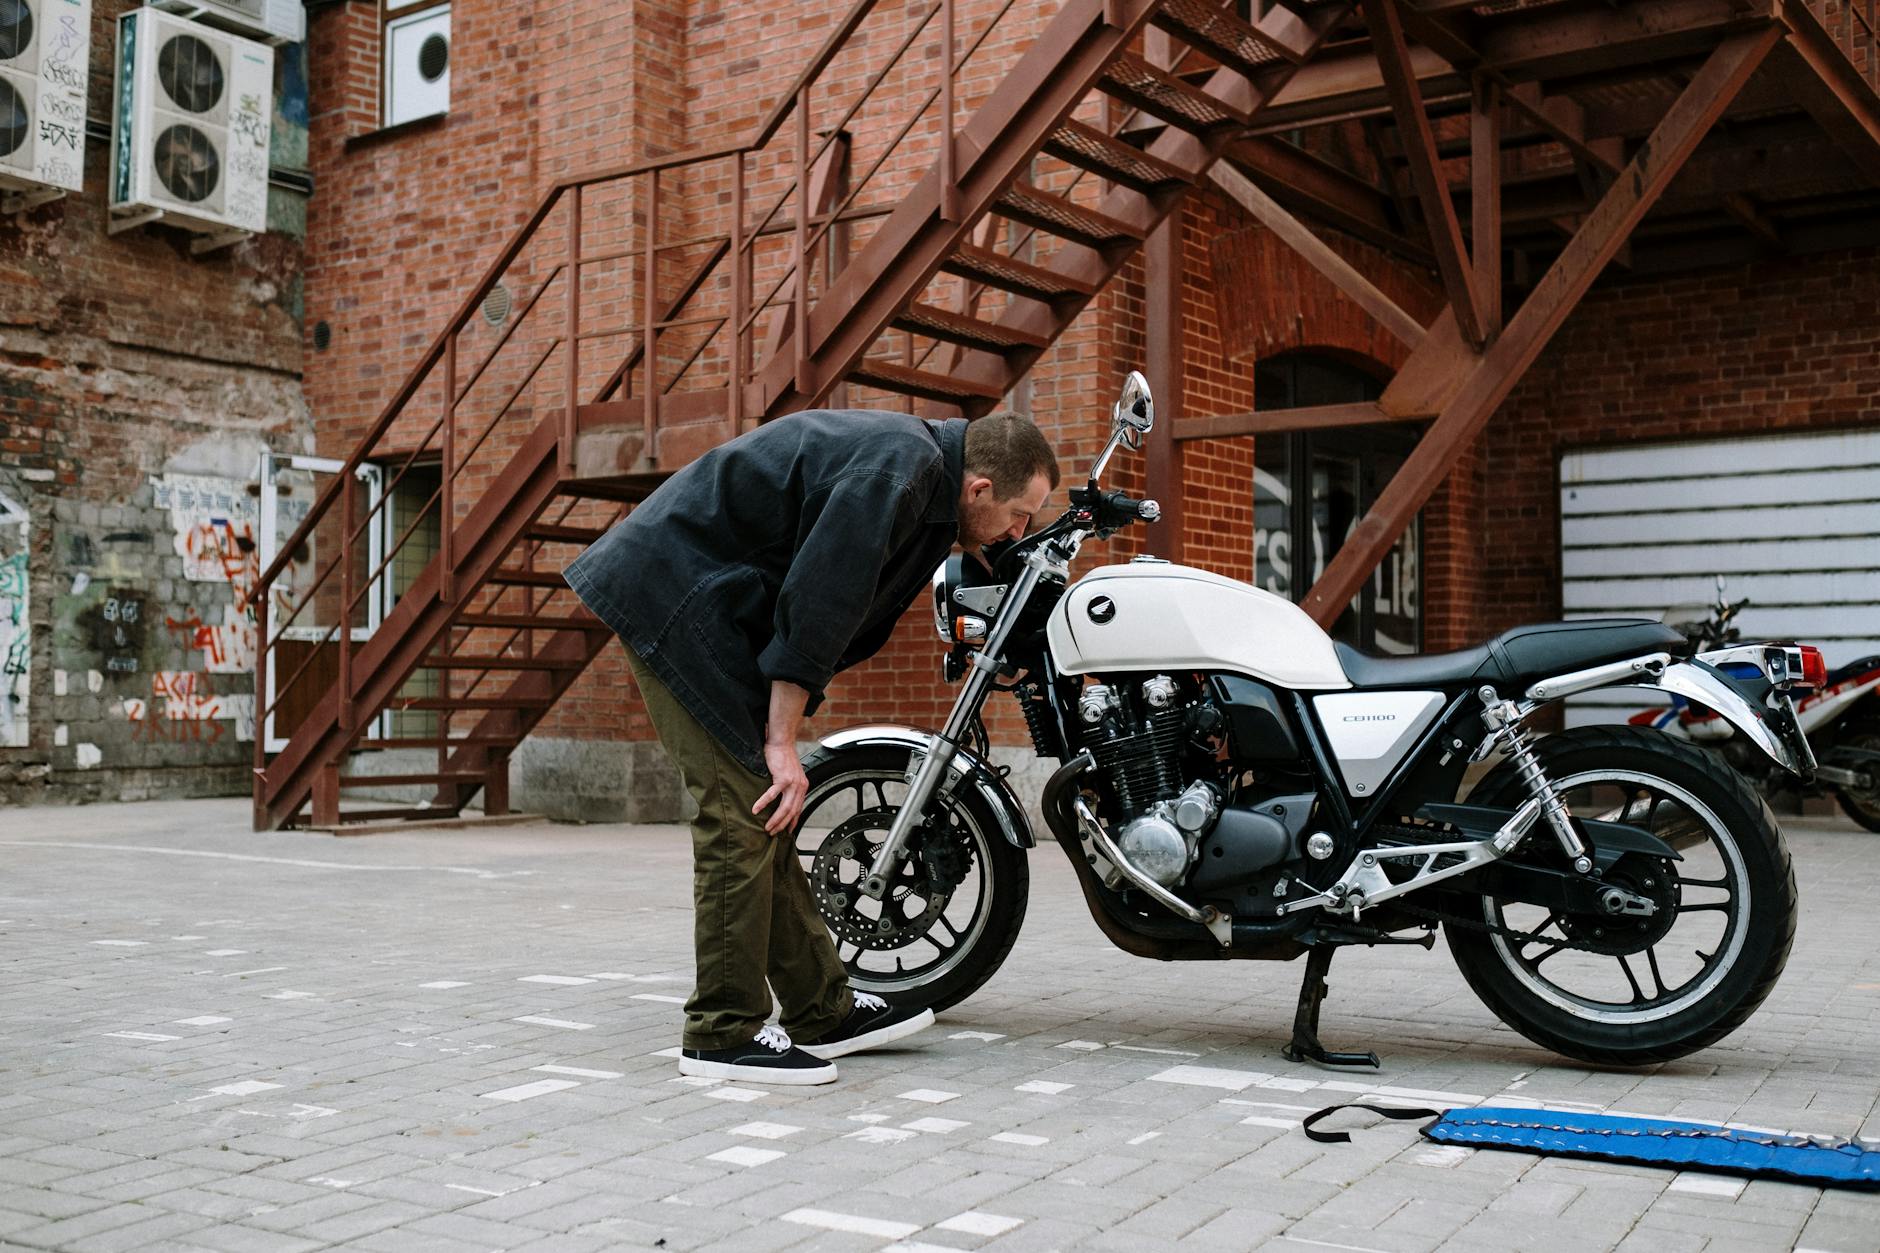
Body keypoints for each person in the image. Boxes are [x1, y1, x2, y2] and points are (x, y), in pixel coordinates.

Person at [563, 409, 1059, 1084]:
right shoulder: (901, 468)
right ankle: (720, 1032)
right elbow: (823, 597)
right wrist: (781, 738)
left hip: (714, 608)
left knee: (763, 811)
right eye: (1018, 514)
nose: (1019, 531)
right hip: (674, 598)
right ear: (977, 489)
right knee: (741, 814)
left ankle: (823, 1010)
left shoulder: (923, 474)